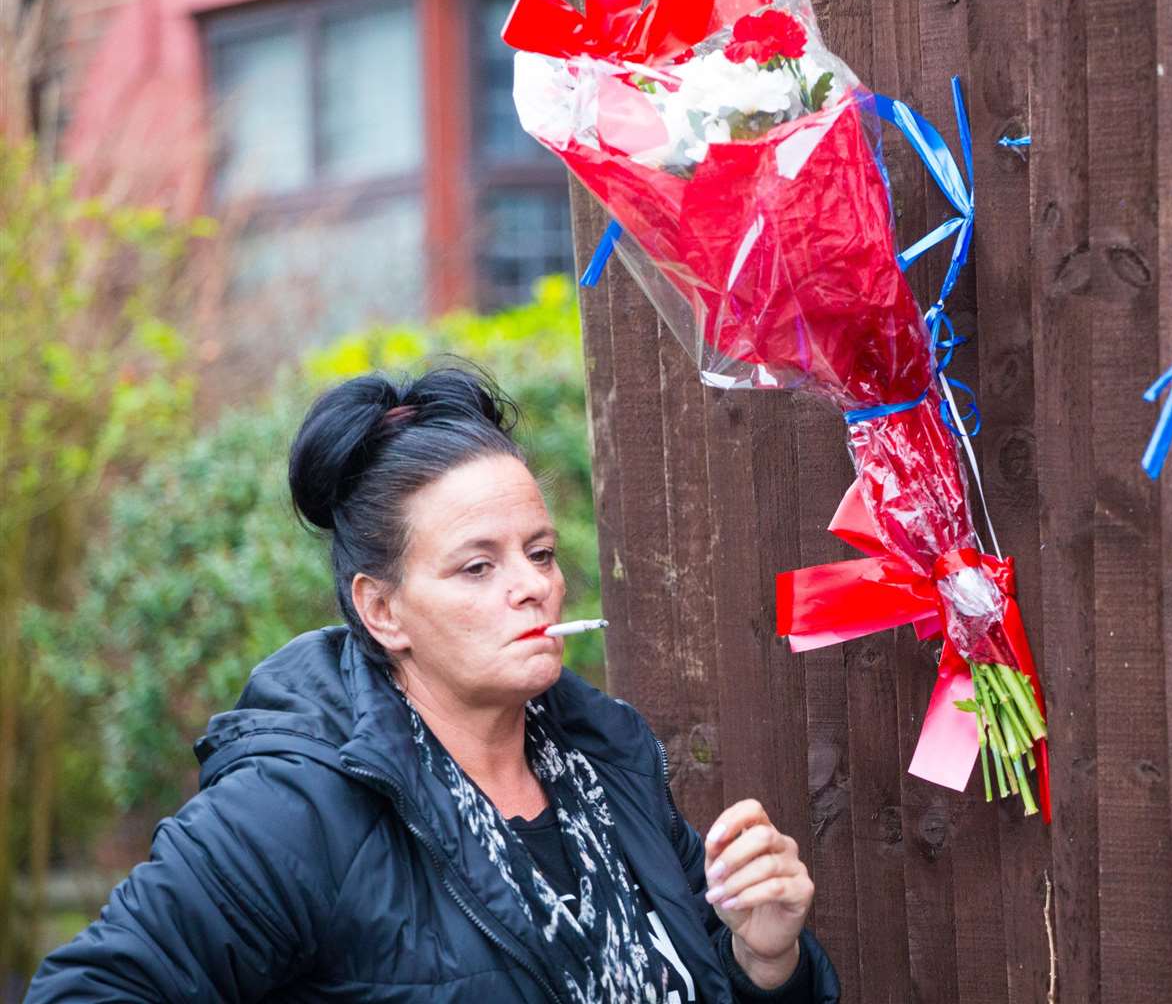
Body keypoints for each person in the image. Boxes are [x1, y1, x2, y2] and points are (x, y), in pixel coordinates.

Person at [29, 365, 838, 1003]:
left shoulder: (610, 762)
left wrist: (764, 959)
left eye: (542, 553)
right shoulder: (297, 810)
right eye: (478, 566)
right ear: (382, 611)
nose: (533, 587)